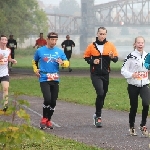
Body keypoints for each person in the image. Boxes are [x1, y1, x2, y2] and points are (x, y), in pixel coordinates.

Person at [32, 32, 69, 129]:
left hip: (55, 79)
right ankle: (44, 118)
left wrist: (63, 63)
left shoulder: (59, 51)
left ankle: (48, 120)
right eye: (52, 40)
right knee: (47, 99)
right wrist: (36, 70)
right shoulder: (40, 51)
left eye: (56, 40)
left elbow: (67, 63)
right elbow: (34, 61)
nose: (54, 42)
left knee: (53, 102)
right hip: (44, 78)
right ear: (47, 39)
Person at [83, 27, 118, 127]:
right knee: (100, 92)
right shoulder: (91, 46)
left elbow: (116, 59)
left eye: (104, 34)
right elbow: (86, 57)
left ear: (106, 35)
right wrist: (92, 61)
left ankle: (97, 113)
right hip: (95, 74)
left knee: (103, 95)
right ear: (97, 34)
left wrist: (112, 57)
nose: (102, 36)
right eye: (100, 34)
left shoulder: (110, 45)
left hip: (106, 74)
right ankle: (98, 116)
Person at [121, 36, 150, 136]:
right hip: (133, 85)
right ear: (135, 44)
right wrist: (131, 74)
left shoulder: (148, 56)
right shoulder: (130, 56)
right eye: (138, 43)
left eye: (142, 43)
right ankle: (132, 126)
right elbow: (123, 70)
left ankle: (143, 125)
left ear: (144, 44)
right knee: (134, 106)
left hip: (144, 84)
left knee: (146, 104)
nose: (140, 44)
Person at [0, 35, 17, 111]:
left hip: (4, 73)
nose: (4, 41)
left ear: (7, 42)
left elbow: (8, 58)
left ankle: (5, 106)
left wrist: (12, 60)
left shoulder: (8, 50)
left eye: (5, 40)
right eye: (2, 40)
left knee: (5, 88)